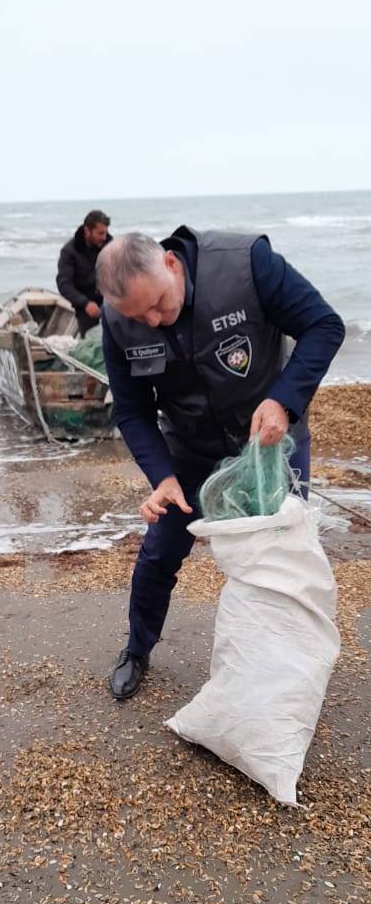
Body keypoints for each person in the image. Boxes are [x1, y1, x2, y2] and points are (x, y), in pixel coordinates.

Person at [96, 225, 346, 700]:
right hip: (189, 449)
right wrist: (162, 476)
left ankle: (284, 670)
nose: (153, 320)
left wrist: (283, 402)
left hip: (270, 440)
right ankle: (137, 649)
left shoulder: (247, 263)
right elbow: (130, 408)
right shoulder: (118, 319)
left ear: (170, 264)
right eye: (139, 315)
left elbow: (324, 325)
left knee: (281, 559)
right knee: (159, 552)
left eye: (159, 305)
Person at [56, 210, 112, 335]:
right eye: (100, 233)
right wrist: (85, 303)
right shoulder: (69, 251)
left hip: (111, 301)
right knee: (91, 343)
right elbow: (64, 284)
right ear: (87, 231)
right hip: (86, 307)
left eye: (106, 233)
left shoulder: (110, 246)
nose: (104, 237)